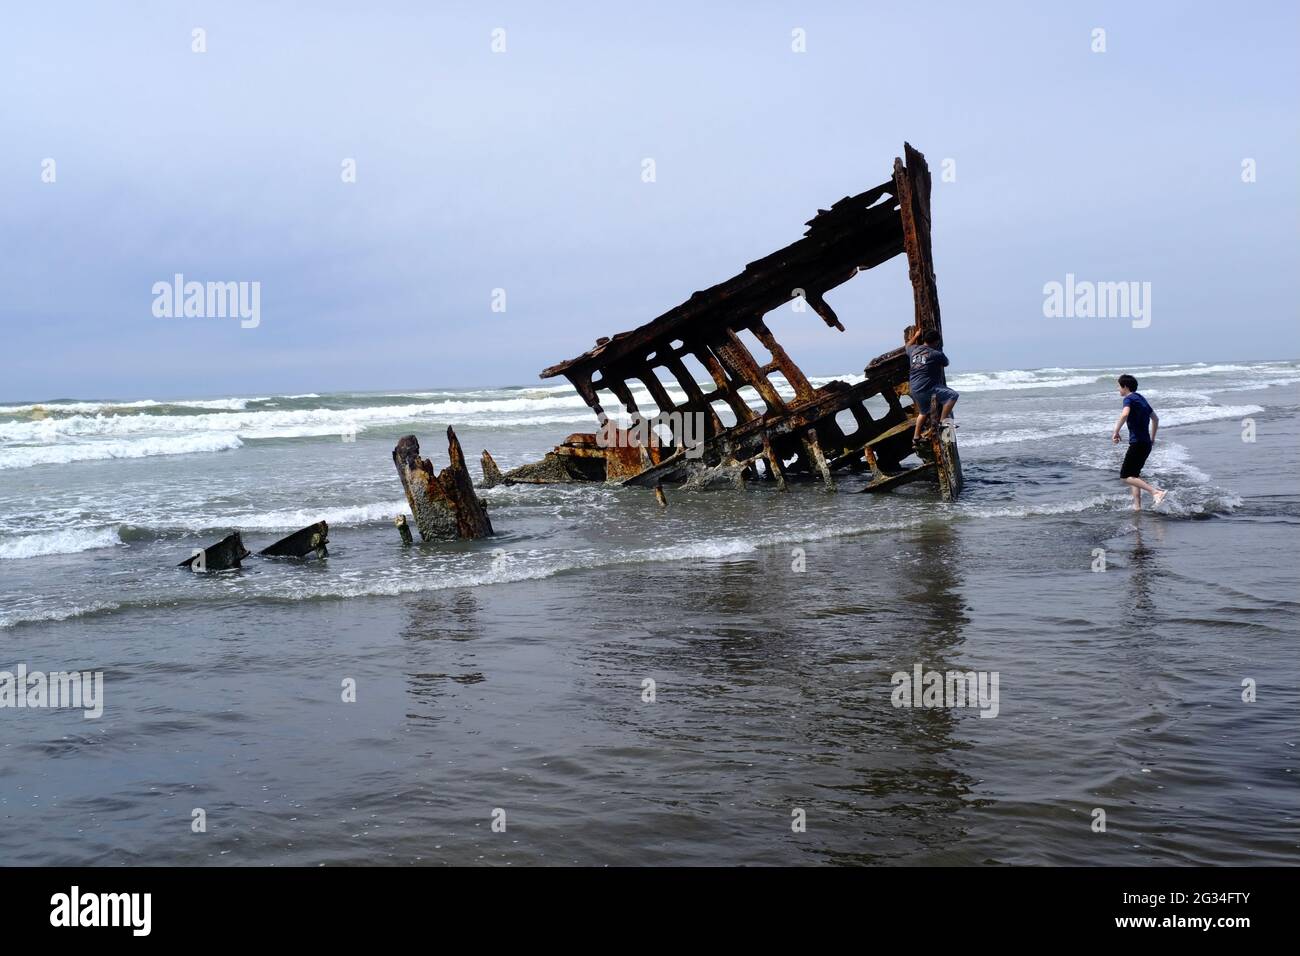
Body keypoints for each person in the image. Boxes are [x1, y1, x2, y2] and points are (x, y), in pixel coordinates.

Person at [1112, 374, 1166, 510]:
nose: (1118, 389)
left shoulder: (1128, 399)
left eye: (1119, 386)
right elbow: (1155, 419)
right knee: (1134, 475)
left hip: (1137, 443)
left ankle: (1156, 492)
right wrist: (1152, 439)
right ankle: (1137, 507)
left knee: (1125, 476)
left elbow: (1124, 414)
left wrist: (1116, 432)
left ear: (1125, 386)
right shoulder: (1141, 398)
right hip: (1146, 443)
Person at [906, 327, 959, 446]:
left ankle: (916, 437)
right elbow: (946, 362)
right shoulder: (935, 354)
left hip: (914, 388)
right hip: (927, 388)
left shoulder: (913, 350)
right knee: (952, 395)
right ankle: (942, 423)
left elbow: (907, 346)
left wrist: (915, 336)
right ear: (936, 342)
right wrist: (939, 350)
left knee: (923, 413)